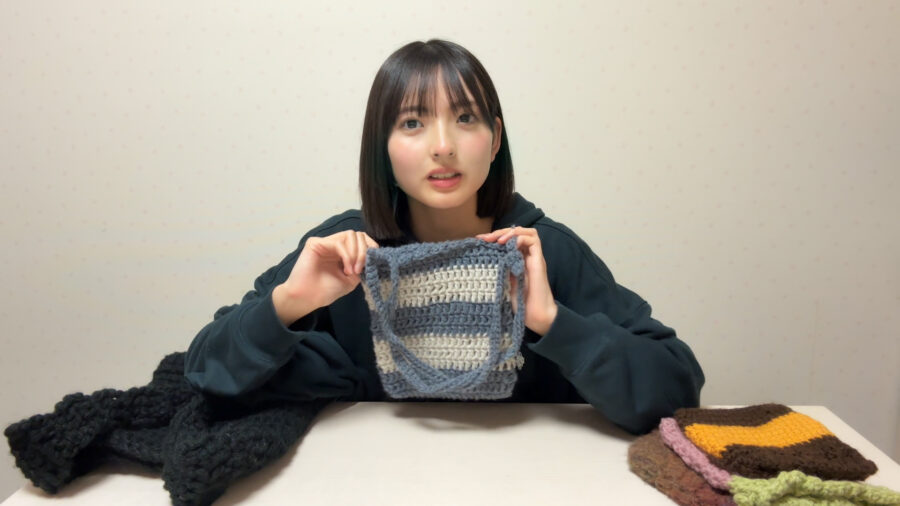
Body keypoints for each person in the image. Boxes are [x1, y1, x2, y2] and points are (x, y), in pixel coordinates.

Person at [184, 39, 704, 434]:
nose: (443, 146)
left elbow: (676, 392)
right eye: (412, 123)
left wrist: (551, 320)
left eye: (465, 118)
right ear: (383, 148)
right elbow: (205, 370)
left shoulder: (545, 251)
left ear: (494, 141)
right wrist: (288, 305)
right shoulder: (340, 251)